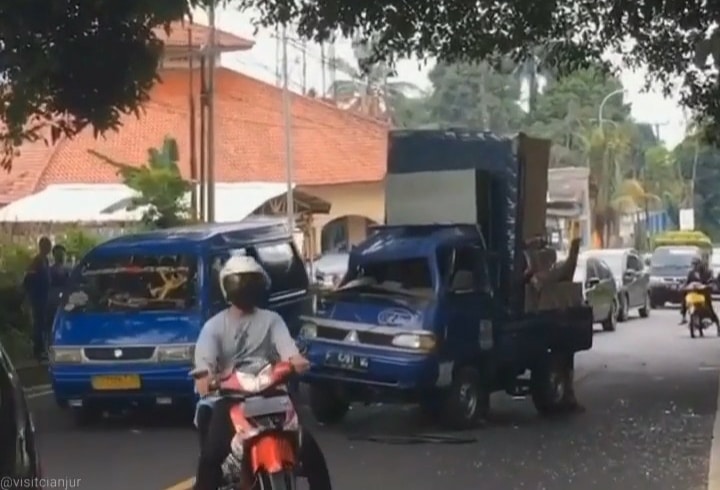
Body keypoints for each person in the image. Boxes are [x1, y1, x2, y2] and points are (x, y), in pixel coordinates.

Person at [192, 255, 329, 490]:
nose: (244, 289)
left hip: (272, 394)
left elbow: (288, 350)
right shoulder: (214, 326)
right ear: (227, 288)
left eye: (250, 283)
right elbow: (204, 363)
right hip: (231, 398)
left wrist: (295, 361)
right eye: (239, 282)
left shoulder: (271, 320)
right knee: (210, 459)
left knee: (310, 453)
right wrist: (205, 377)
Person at [23, 237, 52, 360]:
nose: (49, 248)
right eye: (47, 246)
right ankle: (38, 350)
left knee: (43, 323)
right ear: (42, 247)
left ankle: (42, 348)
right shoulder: (37, 261)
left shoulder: (45, 260)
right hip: (37, 297)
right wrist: (29, 295)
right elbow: (28, 279)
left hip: (44, 296)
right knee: (38, 324)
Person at [680, 257, 718, 325]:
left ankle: (715, 321)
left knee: (709, 305)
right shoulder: (691, 273)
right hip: (693, 292)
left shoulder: (707, 272)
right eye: (693, 264)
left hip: (703, 292)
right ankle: (683, 316)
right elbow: (687, 282)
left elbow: (711, 280)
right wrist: (683, 286)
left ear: (700, 265)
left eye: (696, 264)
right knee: (684, 297)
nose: (694, 266)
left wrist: (710, 285)